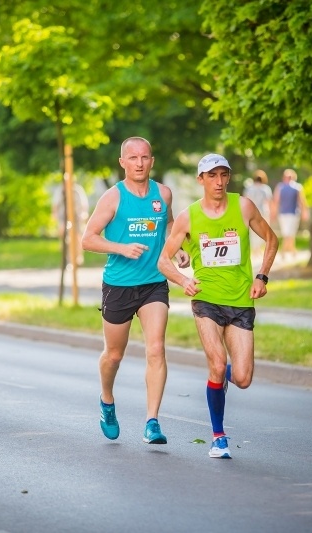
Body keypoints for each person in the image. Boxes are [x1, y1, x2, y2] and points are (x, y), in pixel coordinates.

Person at [157, 153, 278, 459]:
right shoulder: (188, 216)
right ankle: (218, 437)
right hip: (206, 300)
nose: (219, 181)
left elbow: (271, 239)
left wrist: (262, 277)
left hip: (240, 301)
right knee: (214, 361)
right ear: (201, 180)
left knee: (242, 379)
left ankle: (226, 372)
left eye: (223, 175)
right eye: (212, 176)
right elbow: (163, 259)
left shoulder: (243, 206)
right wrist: (183, 281)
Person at [81, 137, 189, 445]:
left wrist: (176, 249)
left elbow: (168, 226)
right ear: (123, 163)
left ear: (152, 161)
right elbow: (87, 239)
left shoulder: (163, 194)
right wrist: (120, 248)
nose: (139, 163)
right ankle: (106, 400)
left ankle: (152, 421)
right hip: (118, 285)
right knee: (114, 355)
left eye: (144, 157)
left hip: (154, 282)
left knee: (156, 349)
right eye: (133, 158)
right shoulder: (112, 198)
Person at [272, 168, 308, 259]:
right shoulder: (297, 187)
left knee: (288, 233)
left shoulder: (281, 187)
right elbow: (302, 201)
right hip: (291, 213)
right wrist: (304, 212)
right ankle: (290, 251)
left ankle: (286, 252)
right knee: (289, 233)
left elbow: (276, 201)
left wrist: (274, 212)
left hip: (288, 213)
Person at [52, 180, 90, 266]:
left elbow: (84, 206)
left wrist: (83, 215)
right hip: (64, 218)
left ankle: (78, 256)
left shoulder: (77, 191)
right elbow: (55, 206)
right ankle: (67, 257)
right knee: (64, 234)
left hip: (76, 218)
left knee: (77, 236)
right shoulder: (60, 191)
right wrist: (55, 215)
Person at [243, 170, 273, 256]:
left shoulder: (249, 188)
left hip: (251, 212)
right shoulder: (266, 189)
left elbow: (245, 200)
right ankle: (259, 248)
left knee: (253, 231)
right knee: (263, 230)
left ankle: (255, 249)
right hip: (263, 212)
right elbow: (269, 201)